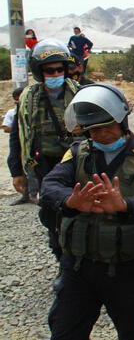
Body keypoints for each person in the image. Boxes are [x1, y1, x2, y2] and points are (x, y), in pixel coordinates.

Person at [40, 84, 134, 340]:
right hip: (78, 267)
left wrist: (126, 205)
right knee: (65, 336)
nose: (101, 134)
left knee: (130, 334)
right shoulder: (79, 153)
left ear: (122, 122)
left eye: (107, 127)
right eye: (93, 130)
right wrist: (70, 201)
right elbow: (49, 186)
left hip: (125, 268)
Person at [10, 39, 82, 260]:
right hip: (46, 165)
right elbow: (17, 136)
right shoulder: (27, 99)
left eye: (60, 69)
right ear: (39, 72)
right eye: (49, 71)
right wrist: (17, 172)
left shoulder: (80, 93)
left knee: (79, 211)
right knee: (51, 213)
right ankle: (60, 256)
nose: (55, 74)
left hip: (76, 163)